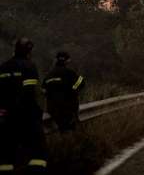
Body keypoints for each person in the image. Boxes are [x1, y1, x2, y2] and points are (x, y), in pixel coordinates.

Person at [0, 38, 48, 174]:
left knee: (6, 156)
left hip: (6, 118)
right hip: (26, 116)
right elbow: (30, 93)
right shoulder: (29, 66)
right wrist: (37, 113)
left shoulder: (3, 66)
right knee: (39, 153)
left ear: (14, 49)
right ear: (29, 51)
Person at [43, 52, 85, 133]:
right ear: (67, 61)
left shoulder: (49, 75)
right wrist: (73, 89)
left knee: (63, 132)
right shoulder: (70, 73)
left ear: (56, 60)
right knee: (71, 132)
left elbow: (43, 90)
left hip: (53, 111)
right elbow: (81, 82)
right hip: (69, 109)